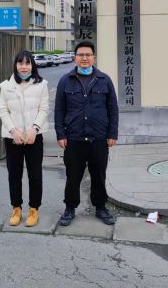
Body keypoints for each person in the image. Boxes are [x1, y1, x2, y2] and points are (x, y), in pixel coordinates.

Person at [54, 40, 119, 226]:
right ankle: (70, 208)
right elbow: (59, 109)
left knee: (98, 175)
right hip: (74, 138)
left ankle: (100, 207)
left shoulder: (104, 80)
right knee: (73, 176)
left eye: (88, 55)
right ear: (75, 58)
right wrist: (61, 134)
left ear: (94, 58)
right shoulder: (65, 80)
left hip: (99, 138)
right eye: (81, 55)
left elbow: (112, 109)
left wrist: (112, 133)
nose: (84, 58)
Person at [0, 50, 49, 227]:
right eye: (20, 63)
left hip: (34, 137)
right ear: (16, 65)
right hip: (13, 137)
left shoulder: (42, 85)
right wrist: (13, 130)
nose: (24, 67)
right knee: (14, 174)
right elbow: (2, 111)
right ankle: (16, 208)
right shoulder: (6, 86)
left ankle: (34, 209)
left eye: (27, 63)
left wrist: (35, 129)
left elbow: (44, 108)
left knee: (35, 174)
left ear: (32, 65)